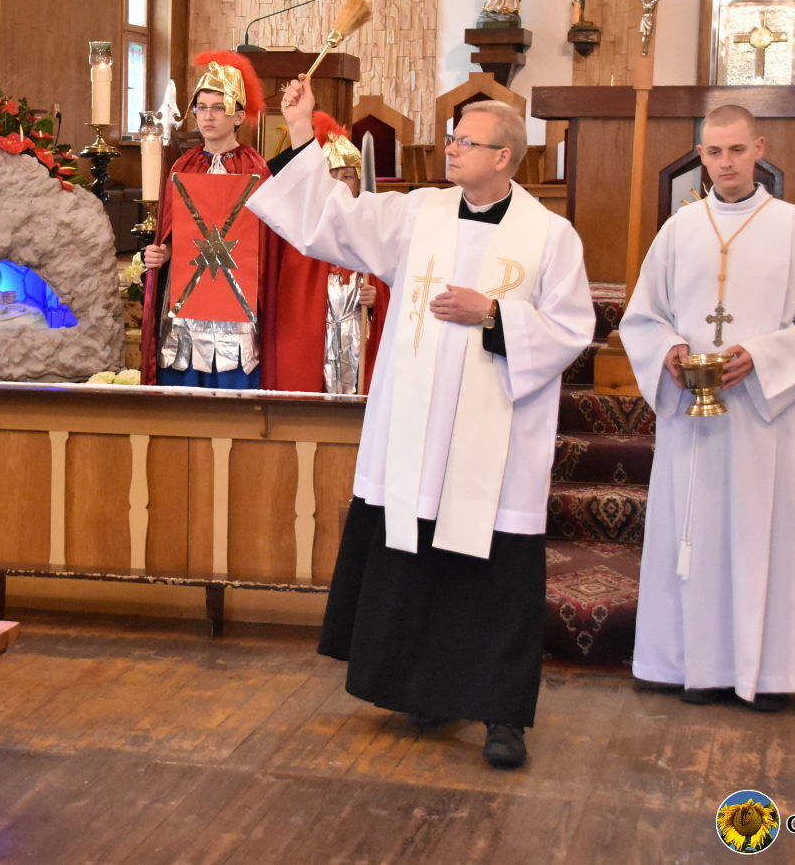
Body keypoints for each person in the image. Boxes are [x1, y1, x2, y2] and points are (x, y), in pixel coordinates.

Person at [250, 78, 593, 768]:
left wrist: (492, 314)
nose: (452, 148)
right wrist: (300, 129)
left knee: (494, 580)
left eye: (467, 141)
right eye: (453, 137)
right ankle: (428, 690)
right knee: (420, 560)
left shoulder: (550, 236)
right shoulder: (419, 213)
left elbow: (571, 329)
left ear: (503, 157)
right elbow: (331, 221)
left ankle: (503, 716)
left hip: (494, 444)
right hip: (414, 432)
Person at [620, 103, 795, 712]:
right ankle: (696, 666)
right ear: (701, 156)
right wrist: (669, 350)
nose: (726, 164)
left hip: (762, 415)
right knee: (693, 536)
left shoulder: (794, 229)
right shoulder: (679, 230)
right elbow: (643, 315)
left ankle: (767, 675)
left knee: (763, 538)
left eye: (737, 150)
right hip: (692, 418)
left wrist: (763, 358)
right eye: (714, 152)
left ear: (759, 149)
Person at [140, 51, 272, 389]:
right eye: (201, 108)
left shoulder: (255, 169)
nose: (208, 116)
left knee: (234, 379)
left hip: (237, 297)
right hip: (188, 295)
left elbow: (265, 242)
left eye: (218, 107)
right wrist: (162, 253)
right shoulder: (183, 166)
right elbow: (175, 234)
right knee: (184, 380)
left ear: (238, 116)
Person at [264, 112, 389, 394]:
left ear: (359, 183)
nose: (340, 184)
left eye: (348, 176)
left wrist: (378, 299)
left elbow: (394, 288)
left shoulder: (373, 230)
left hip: (358, 341)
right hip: (315, 343)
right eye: (331, 175)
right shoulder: (302, 232)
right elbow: (295, 301)